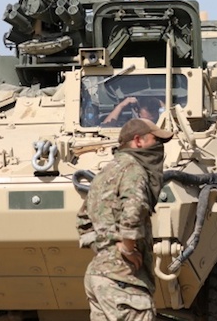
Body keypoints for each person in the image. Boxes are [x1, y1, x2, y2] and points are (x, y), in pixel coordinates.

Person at [76, 118, 174, 320]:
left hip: (98, 277)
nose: (159, 147)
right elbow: (133, 209)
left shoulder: (106, 171)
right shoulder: (134, 170)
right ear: (138, 141)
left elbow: (83, 221)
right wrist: (127, 247)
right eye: (156, 140)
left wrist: (107, 248)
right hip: (124, 280)